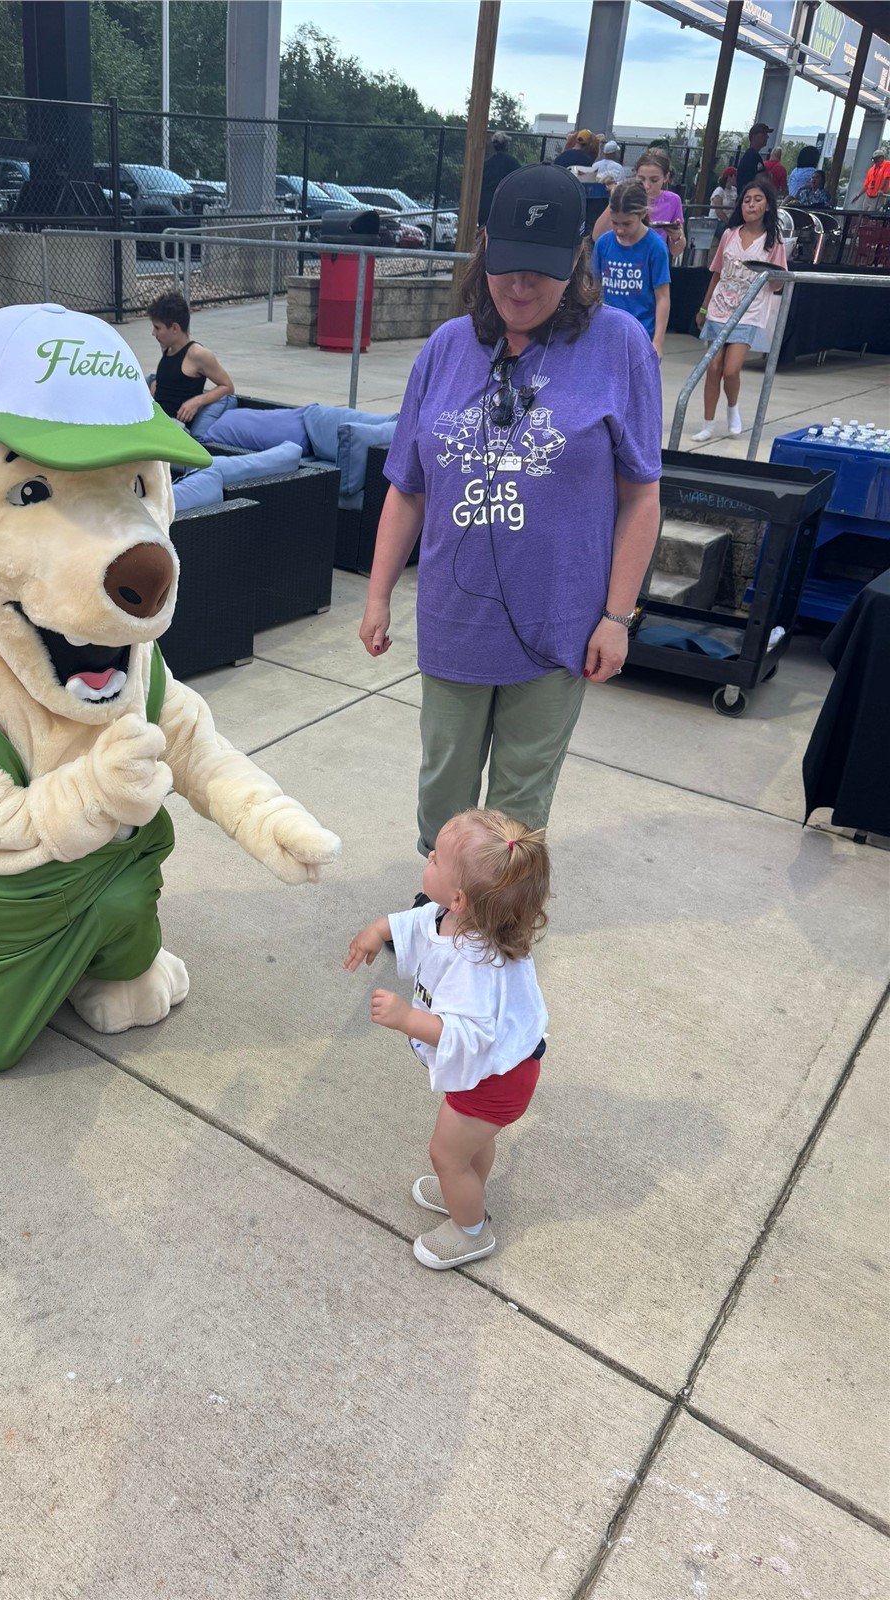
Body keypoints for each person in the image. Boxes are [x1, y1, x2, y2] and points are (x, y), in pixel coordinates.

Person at [358, 163, 662, 850]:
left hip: (559, 620)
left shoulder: (619, 345)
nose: (520, 288)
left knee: (520, 801)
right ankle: (443, 893)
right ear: (484, 250)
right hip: (454, 618)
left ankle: (499, 908)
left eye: (540, 272)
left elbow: (641, 495)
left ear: (576, 260)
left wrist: (618, 617)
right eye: (507, 268)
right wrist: (378, 597)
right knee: (444, 785)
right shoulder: (446, 347)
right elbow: (407, 487)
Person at [343, 809, 550, 1270]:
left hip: (496, 1079)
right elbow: (418, 922)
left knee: (445, 1153)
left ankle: (471, 1231)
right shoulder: (455, 917)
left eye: (436, 858)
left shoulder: (475, 964)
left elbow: (469, 1035)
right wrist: (378, 930)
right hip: (498, 1068)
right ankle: (464, 1184)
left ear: (459, 898)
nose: (429, 858)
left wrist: (406, 1019)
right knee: (468, 1146)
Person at [693, 174, 787, 442]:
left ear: (767, 206)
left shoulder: (773, 241)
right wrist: (704, 308)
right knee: (713, 367)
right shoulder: (729, 235)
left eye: (757, 200)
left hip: (749, 312)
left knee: (731, 369)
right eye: (747, 200)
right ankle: (708, 423)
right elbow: (716, 274)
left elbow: (778, 284)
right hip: (720, 308)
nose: (751, 205)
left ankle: (732, 408)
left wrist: (773, 274)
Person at [591, 178, 670, 357]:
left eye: (626, 223)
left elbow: (662, 297)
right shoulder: (603, 244)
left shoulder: (655, 247)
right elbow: (594, 289)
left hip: (640, 333)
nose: (620, 230)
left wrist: (658, 341)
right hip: (606, 332)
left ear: (642, 214)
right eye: (615, 223)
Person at [147, 292, 234, 426]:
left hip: (176, 425)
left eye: (157, 328)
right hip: (159, 419)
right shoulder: (167, 349)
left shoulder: (197, 354)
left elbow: (227, 387)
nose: (153, 333)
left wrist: (197, 401)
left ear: (175, 328)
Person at [593, 148, 685, 258]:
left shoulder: (673, 200)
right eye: (641, 179)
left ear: (666, 177)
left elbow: (676, 252)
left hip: (653, 260)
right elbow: (597, 236)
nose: (646, 186)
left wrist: (677, 237)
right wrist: (615, 199)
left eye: (654, 180)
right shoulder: (627, 196)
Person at [477, 131, 521, 225]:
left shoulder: (486, 164)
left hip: (484, 204)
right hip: (503, 204)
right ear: (506, 145)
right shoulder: (512, 163)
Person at [736, 123, 771, 189]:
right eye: (764, 134)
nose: (767, 137)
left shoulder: (752, 155)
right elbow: (761, 180)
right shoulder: (752, 156)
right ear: (754, 137)